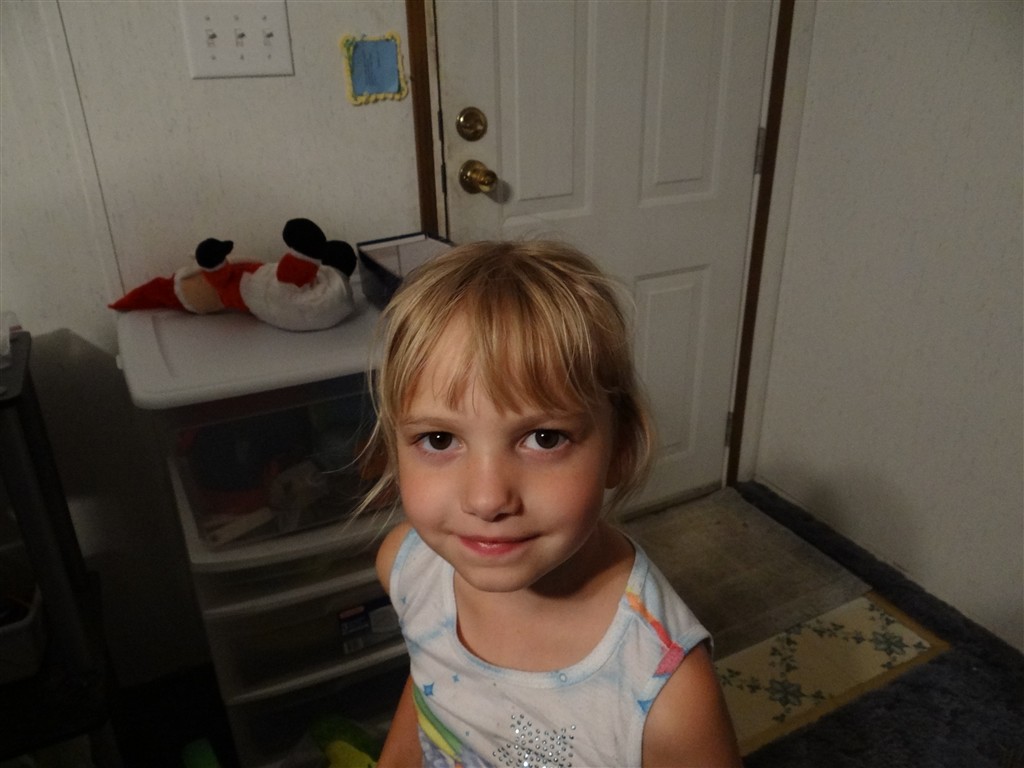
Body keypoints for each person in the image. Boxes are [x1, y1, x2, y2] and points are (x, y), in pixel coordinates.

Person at [364, 240, 741, 767]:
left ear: (621, 449)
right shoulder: (408, 568)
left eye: (544, 438)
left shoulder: (670, 696)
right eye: (440, 439)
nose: (487, 500)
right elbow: (431, 682)